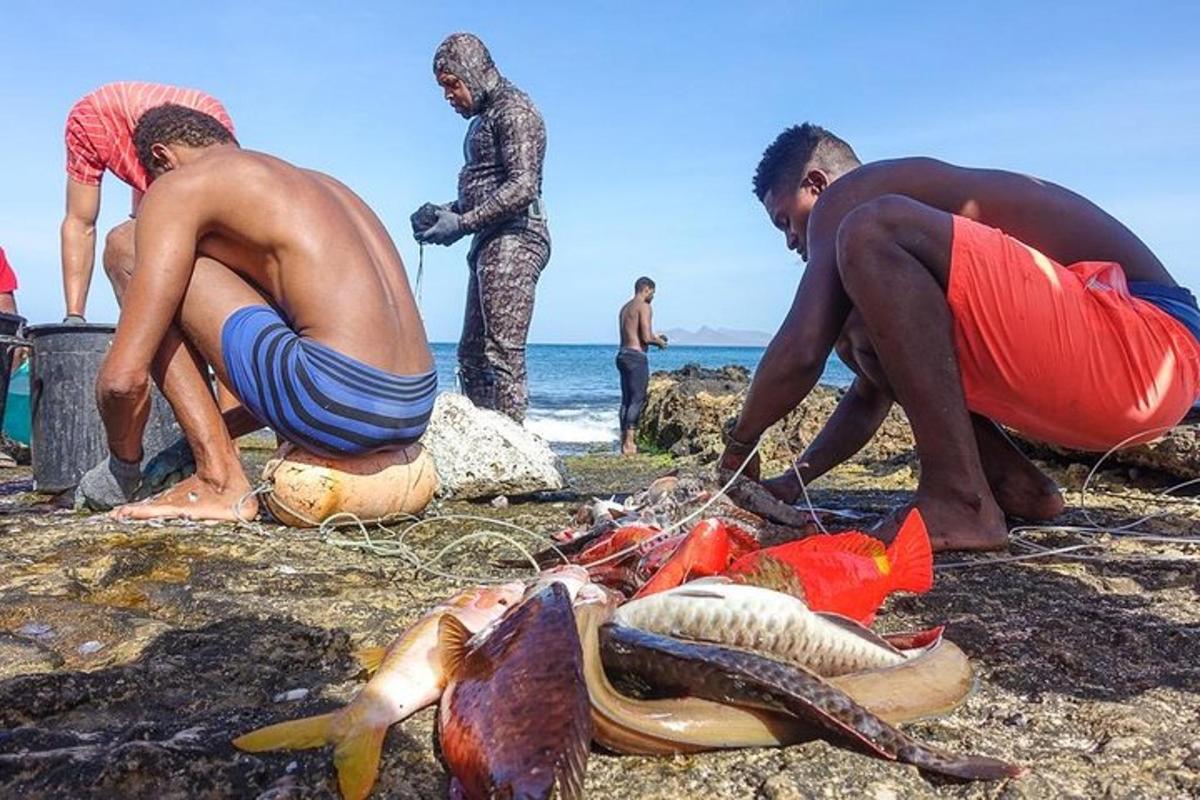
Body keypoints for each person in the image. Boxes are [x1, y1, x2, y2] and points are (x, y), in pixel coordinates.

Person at [719, 123, 1200, 552]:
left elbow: (802, 350)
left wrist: (738, 446)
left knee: (872, 231)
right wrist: (792, 482)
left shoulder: (851, 198)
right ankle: (1012, 484)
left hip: (1150, 338)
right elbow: (872, 387)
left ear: (817, 183)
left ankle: (959, 499)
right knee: (854, 324)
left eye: (785, 220)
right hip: (1138, 373)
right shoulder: (886, 274)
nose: (787, 241)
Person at [79, 105, 436, 522]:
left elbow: (123, 381)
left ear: (162, 159)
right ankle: (213, 459)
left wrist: (121, 468)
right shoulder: (321, 186)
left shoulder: (181, 186)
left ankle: (218, 481)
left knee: (128, 243)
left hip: (336, 402)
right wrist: (190, 443)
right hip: (415, 408)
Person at [412, 32, 549, 423]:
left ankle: (514, 448)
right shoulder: (482, 121)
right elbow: (488, 189)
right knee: (471, 355)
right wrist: (444, 212)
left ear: (473, 73)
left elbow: (523, 186)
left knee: (501, 351)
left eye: (451, 85)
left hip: (517, 238)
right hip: (489, 240)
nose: (448, 96)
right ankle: (485, 440)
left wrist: (463, 223)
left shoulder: (515, 110)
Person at [61, 81, 235, 321]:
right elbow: (80, 222)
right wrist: (74, 318)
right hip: (111, 125)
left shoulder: (210, 123)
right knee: (126, 248)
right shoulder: (91, 120)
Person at [616, 277, 667, 454]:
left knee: (626, 400)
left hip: (622, 355)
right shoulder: (644, 306)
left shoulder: (625, 308)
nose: (653, 297)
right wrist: (659, 341)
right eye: (653, 293)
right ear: (647, 289)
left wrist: (654, 337)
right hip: (636, 357)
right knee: (637, 399)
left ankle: (623, 442)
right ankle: (630, 445)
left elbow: (633, 333)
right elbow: (646, 337)